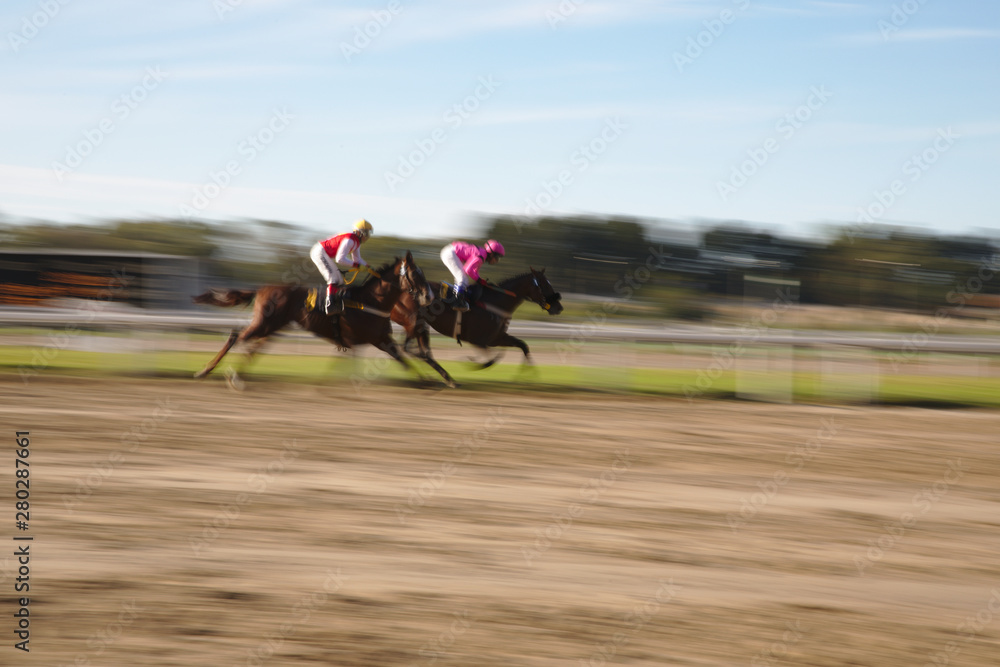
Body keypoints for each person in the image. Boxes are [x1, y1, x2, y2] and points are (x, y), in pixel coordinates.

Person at [310, 219, 373, 314]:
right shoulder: (350, 241)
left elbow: (357, 259)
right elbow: (340, 259)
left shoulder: (356, 242)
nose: (367, 236)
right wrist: (357, 266)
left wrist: (368, 267)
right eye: (366, 233)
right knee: (333, 279)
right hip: (319, 252)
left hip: (324, 253)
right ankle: (330, 305)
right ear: (360, 232)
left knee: (339, 281)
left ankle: (335, 302)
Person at [439, 239, 504, 311]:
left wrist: (480, 280)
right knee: (462, 278)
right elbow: (468, 269)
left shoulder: (482, 255)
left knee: (462, 280)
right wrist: (479, 280)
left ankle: (451, 292)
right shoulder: (481, 256)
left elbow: (474, 271)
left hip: (450, 252)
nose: (496, 261)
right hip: (450, 253)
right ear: (492, 254)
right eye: (497, 257)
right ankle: (457, 302)